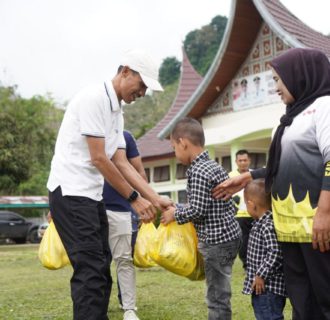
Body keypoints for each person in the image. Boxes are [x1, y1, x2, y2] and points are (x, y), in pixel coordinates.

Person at [47, 49, 172, 320]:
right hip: (70, 192)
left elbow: (123, 162)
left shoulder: (117, 113)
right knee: (90, 271)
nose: (142, 93)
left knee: (101, 268)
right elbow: (100, 159)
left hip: (90, 196)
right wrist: (134, 199)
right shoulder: (94, 99)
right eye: (142, 85)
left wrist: (154, 197)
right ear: (125, 71)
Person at [212, 48, 330, 320]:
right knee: (302, 300)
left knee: (325, 297)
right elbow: (284, 166)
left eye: (278, 79)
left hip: (317, 227)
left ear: (300, 75)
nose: (275, 87)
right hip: (288, 228)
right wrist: (249, 176)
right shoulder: (289, 118)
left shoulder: (324, 107)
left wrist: (324, 213)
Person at [161, 117, 241, 320]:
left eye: (174, 147)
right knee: (220, 288)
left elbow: (198, 210)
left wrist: (174, 214)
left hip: (216, 242)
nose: (175, 153)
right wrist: (180, 207)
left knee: (217, 295)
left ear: (183, 143)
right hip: (230, 236)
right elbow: (225, 204)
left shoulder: (196, 171)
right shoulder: (214, 167)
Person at [103, 130, 146, 320]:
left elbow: (139, 171)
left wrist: (143, 200)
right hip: (89, 206)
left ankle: (129, 308)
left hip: (121, 208)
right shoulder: (87, 133)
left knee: (124, 259)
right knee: (97, 262)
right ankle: (98, 305)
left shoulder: (125, 136)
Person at [243, 179, 286, 320]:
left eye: (246, 205)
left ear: (251, 204)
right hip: (262, 287)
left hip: (268, 288)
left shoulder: (267, 225)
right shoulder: (260, 223)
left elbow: (275, 252)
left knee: (269, 316)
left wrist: (261, 275)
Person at [229, 149, 253, 271]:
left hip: (256, 213)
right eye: (240, 160)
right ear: (236, 162)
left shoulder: (255, 174)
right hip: (240, 215)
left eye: (245, 160)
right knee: (243, 241)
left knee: (257, 240)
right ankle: (246, 265)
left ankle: (256, 263)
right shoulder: (230, 176)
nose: (243, 162)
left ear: (249, 161)